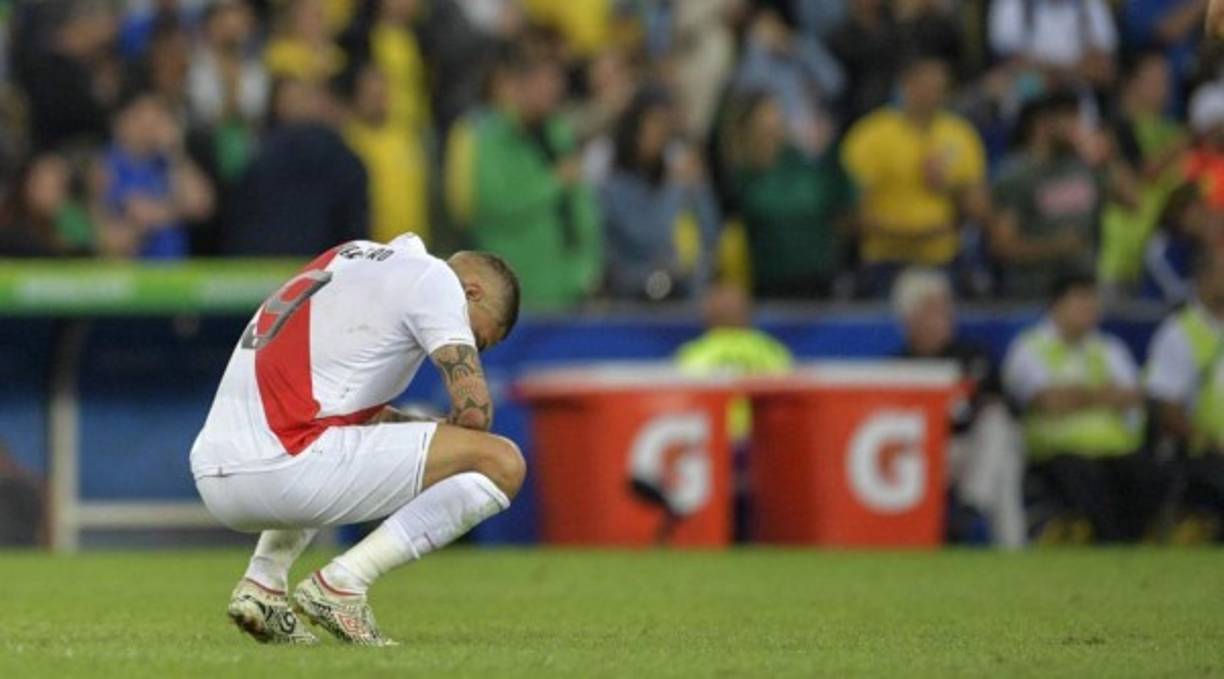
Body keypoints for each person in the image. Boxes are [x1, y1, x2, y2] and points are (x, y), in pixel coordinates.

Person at [192, 234, 525, 646]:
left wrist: (429, 433)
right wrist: (454, 434)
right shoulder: (437, 279)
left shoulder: (350, 259)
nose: (473, 345)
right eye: (479, 339)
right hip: (283, 469)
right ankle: (342, 585)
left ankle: (263, 585)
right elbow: (476, 412)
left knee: (337, 437)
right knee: (502, 462)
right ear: (472, 292)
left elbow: (356, 416)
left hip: (215, 471)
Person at [444, 36, 601, 310]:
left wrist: (587, 268)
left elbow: (580, 206)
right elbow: (491, 205)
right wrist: (553, 183)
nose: (553, 89)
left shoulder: (558, 133)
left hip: (567, 291)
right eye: (543, 81)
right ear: (518, 86)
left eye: (556, 81)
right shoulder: (485, 137)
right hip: (510, 293)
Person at [1002, 273, 1161, 543]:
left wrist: (1076, 397)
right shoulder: (1029, 349)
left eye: (1093, 301)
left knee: (1146, 474)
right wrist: (1101, 395)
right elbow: (1047, 401)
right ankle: (1104, 541)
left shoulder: (1109, 348)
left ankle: (1134, 542)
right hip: (1057, 450)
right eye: (1081, 301)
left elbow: (1134, 396)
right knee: (1084, 475)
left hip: (1116, 448)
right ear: (1057, 305)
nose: (1090, 309)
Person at [892, 268, 1025, 547]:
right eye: (933, 311)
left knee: (999, 429)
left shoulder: (974, 356)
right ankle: (1004, 542)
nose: (944, 318)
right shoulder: (897, 367)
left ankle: (972, 508)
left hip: (971, 449)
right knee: (1003, 463)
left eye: (946, 309)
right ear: (909, 318)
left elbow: (1009, 406)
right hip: (922, 457)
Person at [841, 56, 989, 295]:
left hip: (944, 260)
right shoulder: (870, 135)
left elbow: (981, 210)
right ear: (906, 85)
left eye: (941, 88)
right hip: (886, 261)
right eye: (927, 86)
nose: (934, 95)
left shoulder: (960, 134)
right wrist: (909, 233)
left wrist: (947, 185)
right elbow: (850, 211)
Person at [990, 91, 1135, 298]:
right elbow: (1001, 245)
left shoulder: (1085, 166)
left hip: (1083, 289)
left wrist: (1107, 153)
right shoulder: (1018, 174)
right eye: (1064, 117)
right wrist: (1055, 246)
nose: (1072, 126)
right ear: (1044, 123)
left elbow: (1132, 202)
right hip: (1034, 294)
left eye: (1075, 117)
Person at [727, 91, 856, 300]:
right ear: (748, 124)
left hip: (821, 282)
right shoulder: (743, 175)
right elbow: (750, 206)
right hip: (771, 285)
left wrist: (829, 154)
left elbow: (841, 200)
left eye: (776, 112)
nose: (774, 121)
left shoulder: (802, 164)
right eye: (766, 114)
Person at [600, 89, 721, 301]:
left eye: (665, 126)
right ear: (634, 130)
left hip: (686, 299)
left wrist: (699, 188)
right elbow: (650, 238)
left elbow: (710, 234)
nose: (661, 134)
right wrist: (675, 189)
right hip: (633, 301)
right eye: (654, 125)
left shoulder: (682, 180)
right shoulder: (613, 189)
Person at [226, 78, 369, 255]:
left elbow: (236, 216)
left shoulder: (255, 153)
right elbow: (354, 233)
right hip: (320, 270)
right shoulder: (347, 160)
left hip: (258, 267)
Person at [1144, 254, 1224, 540]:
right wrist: (1208, 440)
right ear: (1203, 280)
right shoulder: (1178, 334)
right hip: (1204, 450)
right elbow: (1167, 409)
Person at [99, 92, 215, 259]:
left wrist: (176, 152)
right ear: (124, 121)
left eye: (157, 120)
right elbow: (112, 233)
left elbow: (201, 206)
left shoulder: (169, 162)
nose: (150, 128)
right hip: (128, 272)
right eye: (142, 120)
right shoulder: (107, 164)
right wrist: (173, 212)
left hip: (174, 271)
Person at [342, 63, 429, 245]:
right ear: (356, 96)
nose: (379, 101)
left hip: (410, 246)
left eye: (383, 94)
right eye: (371, 95)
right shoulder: (349, 140)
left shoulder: (405, 138)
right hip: (371, 247)